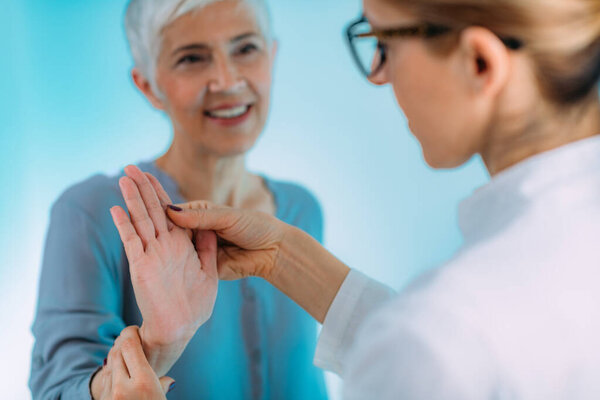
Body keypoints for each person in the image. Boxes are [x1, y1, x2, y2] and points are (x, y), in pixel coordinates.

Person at [104, 0, 600, 398]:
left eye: (383, 43)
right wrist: (281, 256)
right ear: (147, 84)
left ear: (479, 62)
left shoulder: (440, 335)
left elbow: (432, 351)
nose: (378, 74)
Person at [29, 0, 329, 399]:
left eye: (245, 49)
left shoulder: (302, 208)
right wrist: (156, 348)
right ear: (148, 85)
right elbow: (57, 389)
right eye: (192, 58)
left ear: (271, 56)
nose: (227, 80)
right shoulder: (91, 214)